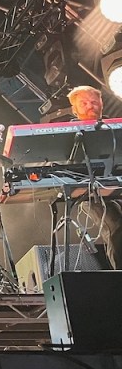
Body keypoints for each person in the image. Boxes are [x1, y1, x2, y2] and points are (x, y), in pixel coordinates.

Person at [67, 85, 122, 269]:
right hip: (91, 192)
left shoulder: (113, 128)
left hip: (117, 185)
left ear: (102, 104)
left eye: (94, 102)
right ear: (74, 109)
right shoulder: (69, 133)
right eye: (84, 103)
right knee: (116, 228)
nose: (90, 106)